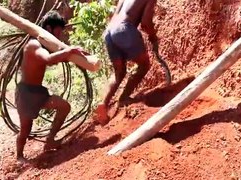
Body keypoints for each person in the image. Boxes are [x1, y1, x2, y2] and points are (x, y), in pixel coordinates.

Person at [15, 11, 86, 163]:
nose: (59, 36)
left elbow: (54, 59)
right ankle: (19, 156)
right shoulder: (34, 45)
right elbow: (48, 59)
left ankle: (50, 141)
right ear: (48, 28)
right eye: (58, 32)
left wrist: (76, 56)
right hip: (26, 94)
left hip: (38, 92)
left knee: (64, 106)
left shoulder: (44, 45)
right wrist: (69, 50)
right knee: (25, 130)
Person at [94, 0, 158, 125]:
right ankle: (124, 98)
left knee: (119, 72)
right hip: (123, 29)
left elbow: (115, 15)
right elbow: (145, 23)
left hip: (109, 32)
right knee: (144, 65)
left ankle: (103, 104)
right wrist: (153, 35)